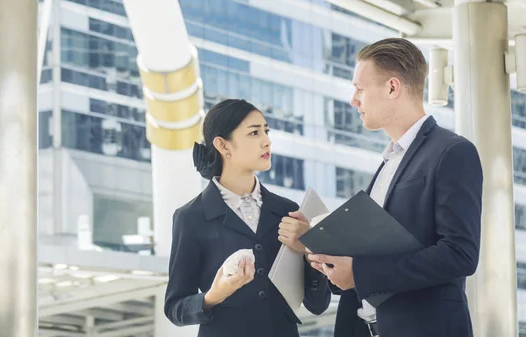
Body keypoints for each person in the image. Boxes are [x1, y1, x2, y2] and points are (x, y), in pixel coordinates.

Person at [305, 38, 483, 337]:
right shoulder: (390, 161)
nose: (353, 100)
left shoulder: (452, 152)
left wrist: (360, 273)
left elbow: (460, 253)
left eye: (359, 88)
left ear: (392, 87)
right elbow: (379, 252)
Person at [164, 99, 331, 337]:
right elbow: (174, 308)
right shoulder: (191, 217)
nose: (266, 140)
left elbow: (318, 304)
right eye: (254, 132)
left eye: (266, 131)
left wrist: (308, 250)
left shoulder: (288, 211)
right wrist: (215, 295)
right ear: (223, 145)